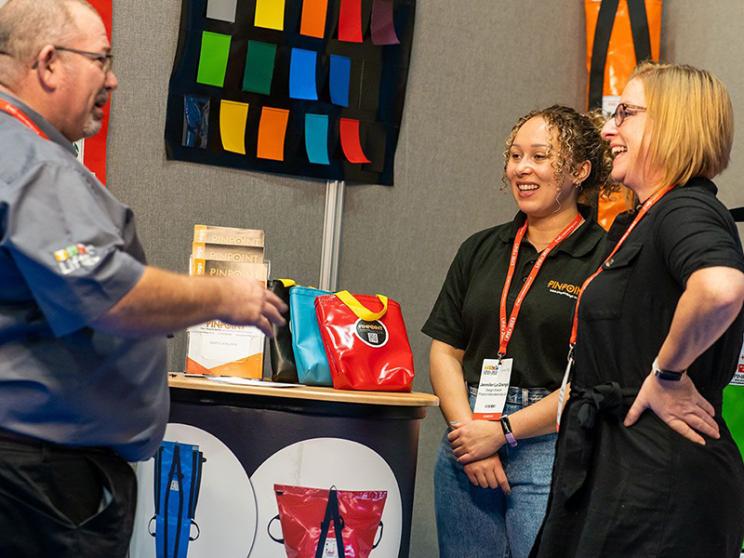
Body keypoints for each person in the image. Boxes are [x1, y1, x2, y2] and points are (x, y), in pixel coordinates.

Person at [0, 1, 286, 556]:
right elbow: (108, 291)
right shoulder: (31, 162)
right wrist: (223, 295)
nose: (112, 78)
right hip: (42, 481)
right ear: (50, 63)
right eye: (101, 59)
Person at [530, 63, 744, 558]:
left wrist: (667, 375)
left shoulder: (686, 208)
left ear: (672, 122)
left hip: (659, 484)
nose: (608, 130)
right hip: (617, 471)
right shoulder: (640, 220)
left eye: (624, 113)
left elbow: (720, 286)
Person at [422, 105, 613, 558]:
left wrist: (504, 431)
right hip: (465, 437)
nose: (522, 168)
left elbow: (589, 382)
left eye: (540, 156)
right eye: (515, 155)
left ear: (579, 171)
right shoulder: (481, 248)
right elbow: (445, 351)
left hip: (548, 442)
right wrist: (471, 432)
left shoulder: (604, 258)